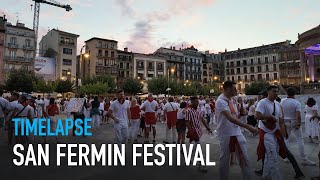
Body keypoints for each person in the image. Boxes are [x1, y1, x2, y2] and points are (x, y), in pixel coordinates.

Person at [255, 85, 304, 179]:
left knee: (270, 156)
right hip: (266, 133)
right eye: (274, 91)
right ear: (268, 92)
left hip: (276, 133)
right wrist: (269, 117)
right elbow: (257, 116)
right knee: (273, 158)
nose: (276, 93)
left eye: (277, 91)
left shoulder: (278, 104)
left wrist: (283, 133)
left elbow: (281, 120)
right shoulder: (263, 102)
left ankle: (266, 175)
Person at [215, 81, 258, 180]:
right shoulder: (220, 101)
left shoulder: (232, 101)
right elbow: (229, 118)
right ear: (227, 89)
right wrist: (248, 127)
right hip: (225, 134)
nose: (236, 90)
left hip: (237, 132)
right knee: (225, 160)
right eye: (234, 88)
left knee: (245, 158)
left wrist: (242, 114)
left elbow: (235, 116)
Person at [280, 87, 316, 165]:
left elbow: (281, 111)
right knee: (300, 139)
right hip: (294, 122)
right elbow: (298, 115)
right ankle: (304, 159)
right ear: (295, 93)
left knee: (286, 139)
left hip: (285, 121)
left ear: (287, 93)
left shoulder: (282, 101)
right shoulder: (296, 103)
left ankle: (286, 157)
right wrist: (298, 124)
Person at [186, 96, 212, 172]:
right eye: (196, 102)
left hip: (199, 130)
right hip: (194, 131)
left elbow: (202, 119)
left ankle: (188, 158)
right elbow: (187, 122)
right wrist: (190, 131)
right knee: (198, 147)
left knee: (196, 146)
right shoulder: (188, 111)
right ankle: (201, 165)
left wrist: (208, 128)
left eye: (198, 102)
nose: (198, 103)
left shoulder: (198, 110)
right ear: (192, 102)